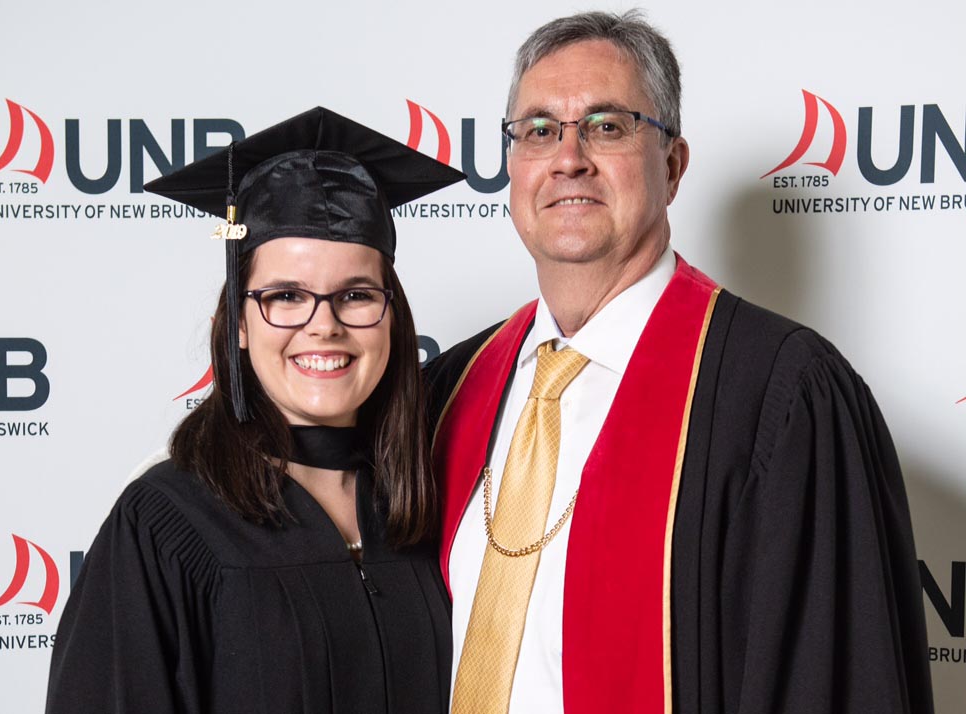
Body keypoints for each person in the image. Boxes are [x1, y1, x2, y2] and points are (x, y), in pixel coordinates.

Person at [425, 10, 934, 714]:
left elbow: (831, 682)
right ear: (512, 165)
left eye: (607, 125)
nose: (567, 157)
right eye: (539, 130)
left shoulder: (780, 396)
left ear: (672, 163)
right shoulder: (451, 389)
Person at [46, 107, 465, 714]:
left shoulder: (429, 511)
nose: (324, 325)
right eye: (286, 296)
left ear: (391, 319)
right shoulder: (165, 525)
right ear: (237, 323)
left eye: (355, 294)